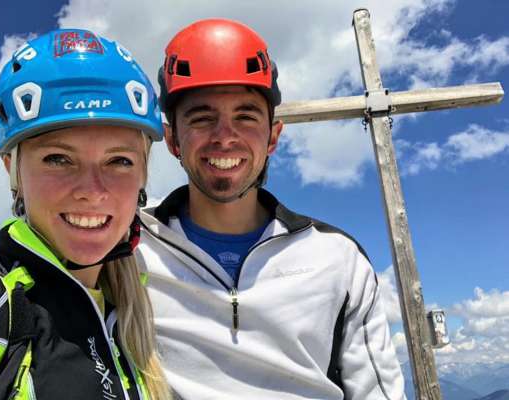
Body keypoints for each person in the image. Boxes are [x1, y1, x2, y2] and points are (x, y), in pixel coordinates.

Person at [138, 18, 406, 400]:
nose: (224, 137)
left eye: (245, 116)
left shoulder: (338, 259)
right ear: (172, 140)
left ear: (273, 136)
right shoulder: (128, 253)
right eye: (201, 117)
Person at [0, 29, 171, 400]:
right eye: (58, 159)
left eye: (119, 161)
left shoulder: (135, 316)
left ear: (143, 176)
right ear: (12, 170)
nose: (93, 190)